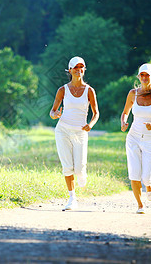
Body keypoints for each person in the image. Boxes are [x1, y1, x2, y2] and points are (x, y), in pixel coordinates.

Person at [50, 56, 99, 211]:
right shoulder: (62, 90)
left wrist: (90, 124)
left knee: (79, 168)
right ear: (70, 70)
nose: (79, 70)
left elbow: (96, 113)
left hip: (80, 132)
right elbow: (52, 111)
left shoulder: (89, 90)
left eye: (81, 67)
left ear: (84, 70)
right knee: (67, 166)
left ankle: (81, 172)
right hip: (62, 130)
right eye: (75, 67)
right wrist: (55, 114)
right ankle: (72, 198)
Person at [120, 63, 151, 214]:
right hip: (133, 137)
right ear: (138, 76)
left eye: (147, 75)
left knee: (147, 177)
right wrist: (123, 122)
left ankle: (149, 185)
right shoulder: (132, 93)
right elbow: (125, 112)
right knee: (134, 173)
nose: (144, 77)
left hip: (149, 140)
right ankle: (140, 205)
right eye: (142, 75)